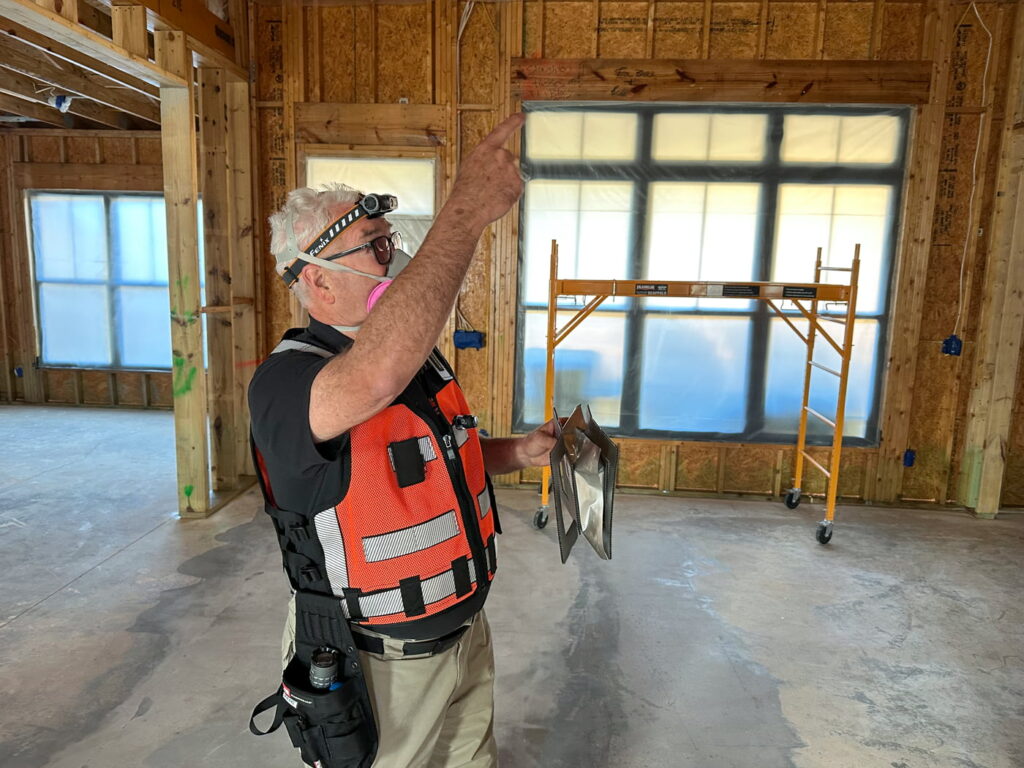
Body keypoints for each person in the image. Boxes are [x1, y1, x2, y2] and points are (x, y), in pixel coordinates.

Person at [248, 113, 557, 768]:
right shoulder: (287, 384)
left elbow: (437, 462)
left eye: (391, 241)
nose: (396, 258)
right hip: (381, 663)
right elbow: (373, 379)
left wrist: (520, 452)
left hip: (465, 631)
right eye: (375, 247)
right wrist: (465, 213)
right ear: (316, 280)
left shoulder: (415, 358)